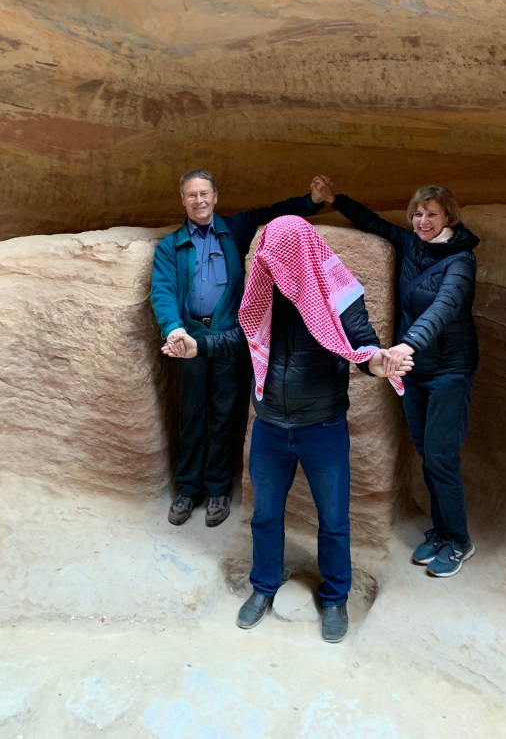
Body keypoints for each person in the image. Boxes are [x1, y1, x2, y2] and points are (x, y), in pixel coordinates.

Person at [164, 216, 412, 642]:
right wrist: (198, 345)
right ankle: (264, 586)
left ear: (301, 252)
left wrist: (378, 362)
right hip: (271, 426)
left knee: (333, 519)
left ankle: (335, 597)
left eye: (279, 254)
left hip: (322, 426)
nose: (270, 261)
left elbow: (361, 344)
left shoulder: (338, 291)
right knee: (265, 515)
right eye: (268, 253)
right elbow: (240, 337)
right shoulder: (263, 289)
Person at [312, 175, 479, 578]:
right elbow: (373, 223)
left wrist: (408, 344)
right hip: (416, 370)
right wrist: (336, 200)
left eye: (431, 214)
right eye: (417, 214)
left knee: (441, 456)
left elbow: (444, 307)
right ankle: (441, 529)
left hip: (449, 371)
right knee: (426, 451)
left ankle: (459, 540)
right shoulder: (410, 244)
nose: (423, 221)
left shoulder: (461, 261)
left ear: (448, 217)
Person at [151, 170, 325, 528]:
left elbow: (273, 213)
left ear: (216, 196)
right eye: (192, 195)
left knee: (224, 414)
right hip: (189, 338)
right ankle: (188, 488)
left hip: (228, 338)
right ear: (182, 200)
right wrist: (174, 329)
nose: (199, 201)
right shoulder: (170, 246)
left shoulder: (234, 230)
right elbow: (163, 291)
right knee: (191, 415)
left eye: (205, 194)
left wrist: (312, 202)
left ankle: (217, 488)